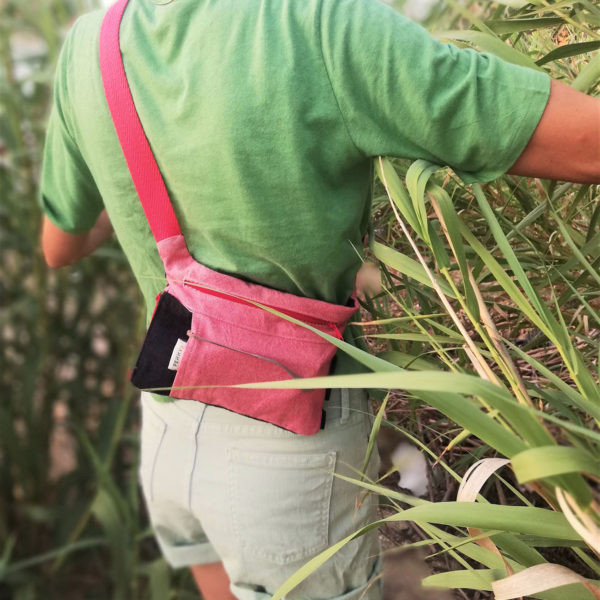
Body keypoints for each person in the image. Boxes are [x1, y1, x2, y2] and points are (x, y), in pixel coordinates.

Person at [40, 0, 599, 598]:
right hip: (286, 450)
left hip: (169, 417)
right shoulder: (324, 27)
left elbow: (60, 244)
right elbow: (586, 145)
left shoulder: (91, 42)